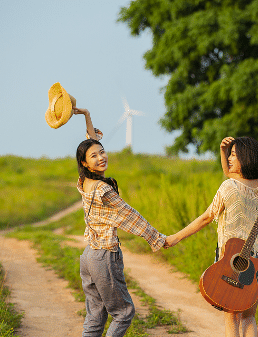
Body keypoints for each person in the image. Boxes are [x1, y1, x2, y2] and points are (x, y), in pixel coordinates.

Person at [72, 107, 168, 337]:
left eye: (102, 152)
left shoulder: (84, 181)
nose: (101, 157)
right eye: (94, 156)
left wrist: (86, 114)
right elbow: (130, 216)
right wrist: (157, 239)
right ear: (85, 163)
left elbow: (90, 143)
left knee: (95, 315)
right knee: (123, 313)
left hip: (88, 256)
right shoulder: (104, 189)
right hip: (104, 256)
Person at [165, 136, 258, 337]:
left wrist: (176, 237)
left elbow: (206, 218)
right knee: (249, 317)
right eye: (229, 154)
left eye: (234, 155)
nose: (229, 159)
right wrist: (223, 151)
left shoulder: (228, 188)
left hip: (231, 261)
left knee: (231, 317)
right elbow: (231, 174)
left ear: (246, 158)